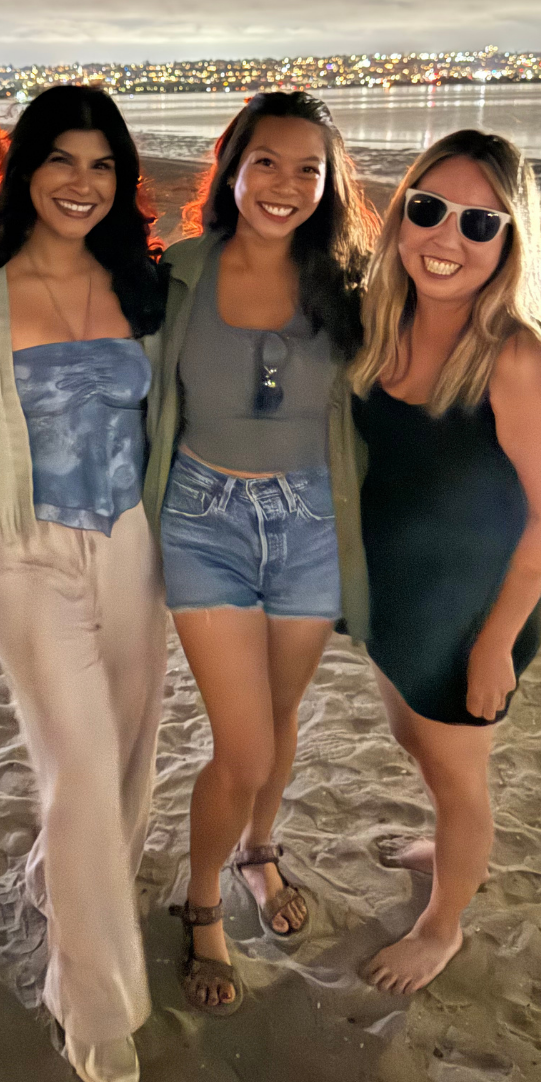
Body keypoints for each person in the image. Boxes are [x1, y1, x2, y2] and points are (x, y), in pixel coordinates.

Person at [0, 85, 168, 1082]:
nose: (82, 183)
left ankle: (59, 882)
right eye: (63, 161)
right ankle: (93, 1000)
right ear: (25, 168)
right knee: (76, 762)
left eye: (103, 166)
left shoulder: (144, 284)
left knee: (128, 749)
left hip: (132, 540)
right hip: (23, 546)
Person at [142, 91, 378, 1014]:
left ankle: (258, 851)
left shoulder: (348, 285)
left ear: (329, 184)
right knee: (240, 746)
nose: (286, 185)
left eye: (309, 169)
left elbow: (429, 355)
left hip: (312, 522)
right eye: (267, 162)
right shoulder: (178, 273)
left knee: (280, 721)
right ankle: (201, 903)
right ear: (231, 165)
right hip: (203, 519)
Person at [350, 128, 541, 993]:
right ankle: (445, 845)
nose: (446, 238)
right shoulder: (384, 319)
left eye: (479, 224)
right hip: (397, 596)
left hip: (471, 616)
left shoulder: (518, 359)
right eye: (429, 209)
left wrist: (493, 648)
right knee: (413, 736)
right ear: (402, 212)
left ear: (512, 240)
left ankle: (442, 923)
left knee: (459, 778)